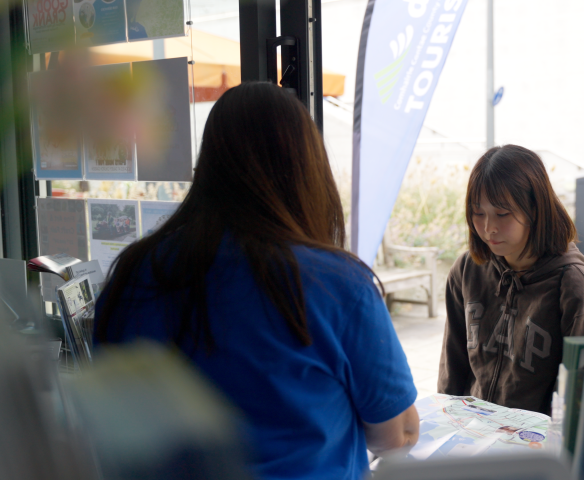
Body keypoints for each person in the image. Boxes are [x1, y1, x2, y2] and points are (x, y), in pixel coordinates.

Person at [93, 82, 419, 480]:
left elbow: (115, 425)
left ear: (208, 163)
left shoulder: (135, 275)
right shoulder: (337, 284)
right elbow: (397, 435)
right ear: (307, 170)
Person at [438, 145, 584, 415]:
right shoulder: (467, 269)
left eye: (502, 214)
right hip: (472, 431)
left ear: (535, 210)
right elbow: (452, 367)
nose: (489, 228)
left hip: (538, 438)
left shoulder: (573, 287)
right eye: (478, 213)